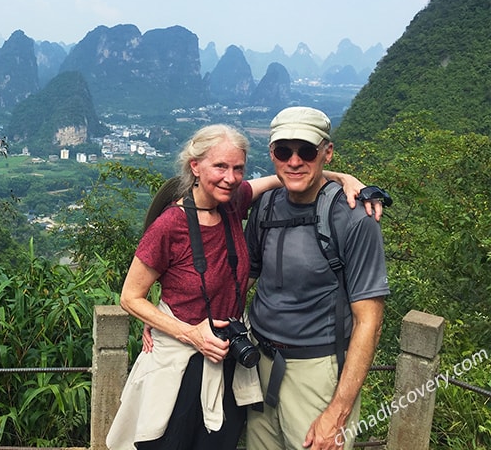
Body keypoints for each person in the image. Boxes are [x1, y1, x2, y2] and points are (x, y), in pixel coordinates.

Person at [105, 123, 377, 450]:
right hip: (180, 363)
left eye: (238, 169)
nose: (230, 177)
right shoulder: (170, 225)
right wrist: (181, 329)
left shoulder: (234, 203)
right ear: (195, 166)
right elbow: (130, 296)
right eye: (219, 166)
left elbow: (290, 175)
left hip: (230, 359)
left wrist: (344, 178)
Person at [245, 107, 389, 450]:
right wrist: (174, 320)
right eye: (284, 151)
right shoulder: (264, 207)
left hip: (317, 372)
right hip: (257, 364)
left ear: (327, 152)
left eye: (306, 151)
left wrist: (337, 411)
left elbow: (369, 321)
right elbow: (242, 280)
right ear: (272, 155)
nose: (294, 161)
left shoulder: (355, 219)